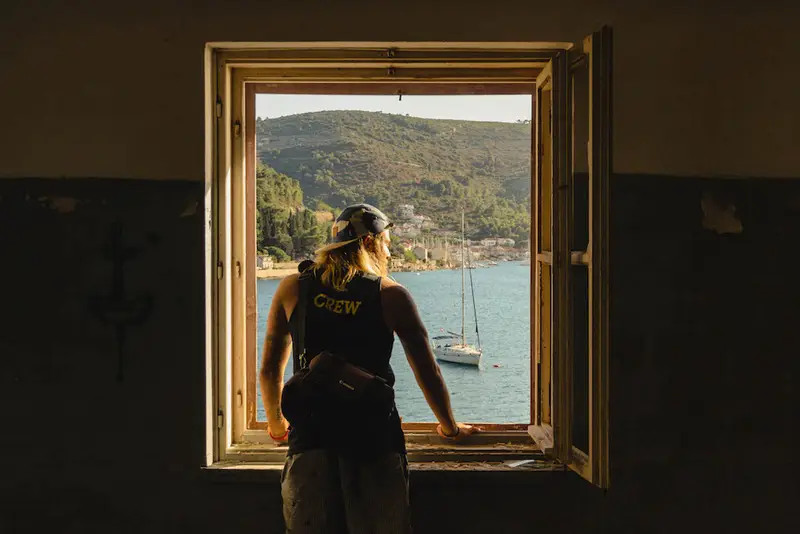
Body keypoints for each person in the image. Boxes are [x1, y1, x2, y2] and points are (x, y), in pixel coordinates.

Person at [260, 203, 477, 534]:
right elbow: (427, 371)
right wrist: (450, 428)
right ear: (368, 243)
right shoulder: (391, 295)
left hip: (311, 440)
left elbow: (271, 370)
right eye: (387, 242)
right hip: (373, 442)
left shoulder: (294, 287)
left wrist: (278, 426)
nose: (389, 252)